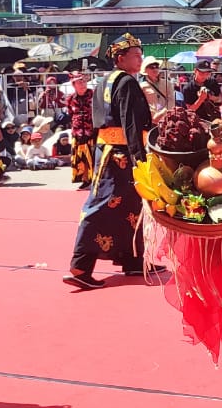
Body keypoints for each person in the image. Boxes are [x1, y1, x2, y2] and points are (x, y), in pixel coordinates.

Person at [65, 34, 158, 290]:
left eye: (140, 54)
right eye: (135, 55)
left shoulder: (105, 81)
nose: (140, 58)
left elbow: (101, 120)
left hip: (107, 149)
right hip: (122, 154)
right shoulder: (126, 81)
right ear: (120, 58)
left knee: (132, 205)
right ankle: (81, 265)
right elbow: (130, 122)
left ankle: (133, 259)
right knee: (103, 204)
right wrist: (140, 157)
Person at [66, 73, 95, 190]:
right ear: (74, 85)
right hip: (77, 132)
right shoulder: (70, 99)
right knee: (80, 157)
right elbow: (70, 114)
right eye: (79, 82)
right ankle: (85, 179)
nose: (82, 84)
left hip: (92, 131)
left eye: (84, 81)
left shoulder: (93, 95)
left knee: (93, 156)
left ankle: (95, 179)